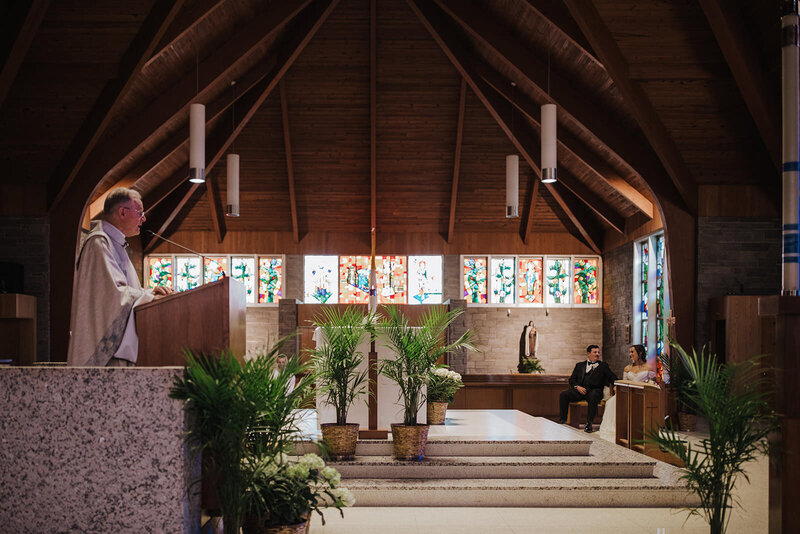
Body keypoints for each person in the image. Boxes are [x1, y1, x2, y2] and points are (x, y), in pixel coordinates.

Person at [67, 188, 172, 367]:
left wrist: (148, 293)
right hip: (107, 357)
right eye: (140, 213)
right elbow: (112, 297)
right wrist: (149, 298)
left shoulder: (115, 244)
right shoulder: (99, 244)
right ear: (122, 212)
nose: (144, 219)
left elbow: (121, 291)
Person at [598, 345, 655, 442]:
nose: (630, 354)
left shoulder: (648, 367)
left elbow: (651, 382)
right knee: (611, 402)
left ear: (640, 353)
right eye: (630, 352)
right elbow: (624, 382)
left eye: (632, 352)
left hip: (642, 394)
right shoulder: (627, 368)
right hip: (628, 393)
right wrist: (618, 387)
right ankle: (620, 428)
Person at [558, 345, 617, 432]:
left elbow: (612, 376)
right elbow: (572, 379)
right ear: (588, 353)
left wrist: (616, 385)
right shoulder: (579, 365)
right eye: (595, 352)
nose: (597, 354)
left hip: (595, 390)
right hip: (580, 390)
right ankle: (563, 421)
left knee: (593, 396)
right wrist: (577, 387)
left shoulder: (603, 366)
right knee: (563, 395)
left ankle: (589, 424)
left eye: (598, 352)